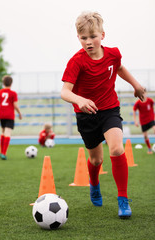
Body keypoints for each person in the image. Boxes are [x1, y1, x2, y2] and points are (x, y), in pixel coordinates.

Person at [61, 11, 146, 219]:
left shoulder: (113, 54)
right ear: (78, 38)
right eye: (83, 38)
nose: (89, 42)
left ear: (103, 35)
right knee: (96, 160)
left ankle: (123, 199)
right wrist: (79, 100)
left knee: (116, 149)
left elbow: (120, 68)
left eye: (93, 37)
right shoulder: (76, 61)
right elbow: (65, 91)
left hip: (109, 110)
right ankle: (94, 183)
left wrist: (135, 85)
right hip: (86, 115)